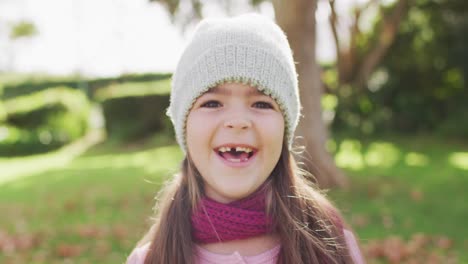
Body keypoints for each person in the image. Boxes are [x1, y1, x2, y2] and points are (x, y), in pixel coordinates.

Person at [127, 13, 365, 264]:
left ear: (284, 129)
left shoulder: (331, 246)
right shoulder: (150, 259)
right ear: (185, 126)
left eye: (262, 103)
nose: (238, 120)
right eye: (212, 103)